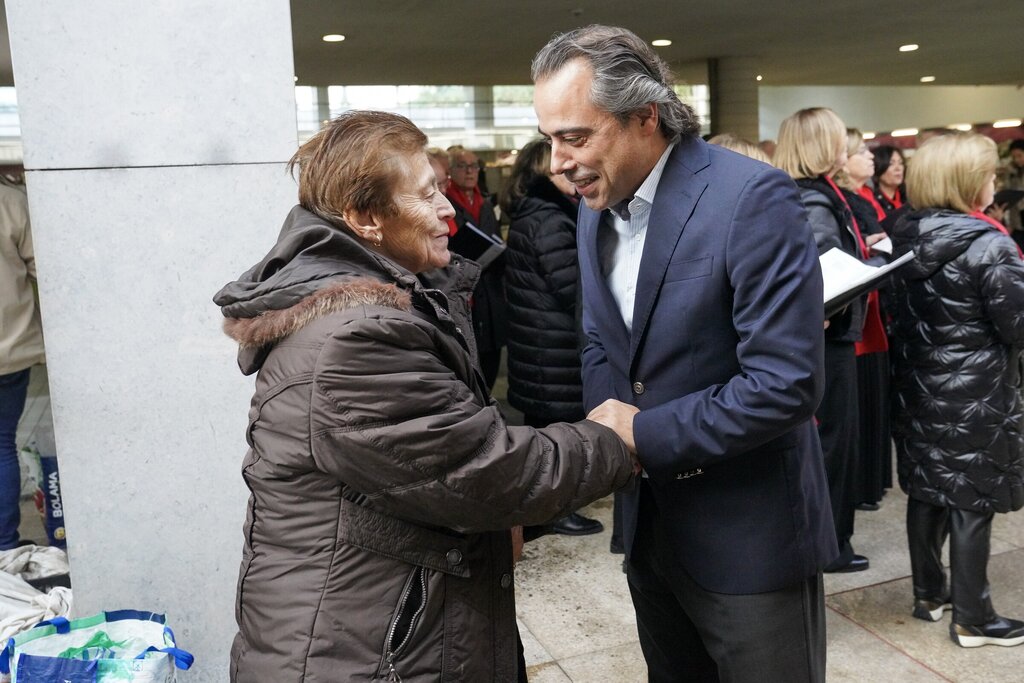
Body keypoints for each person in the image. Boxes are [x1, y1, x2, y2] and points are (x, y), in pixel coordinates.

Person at [213, 110, 637, 682]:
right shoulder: (354, 337)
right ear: (365, 218)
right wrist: (614, 440)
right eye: (426, 193)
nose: (449, 210)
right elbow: (481, 471)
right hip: (367, 653)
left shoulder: (382, 304)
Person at [532, 26, 837, 682]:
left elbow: (785, 383)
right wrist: (610, 434)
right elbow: (598, 336)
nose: (557, 162)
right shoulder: (593, 206)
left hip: (748, 540)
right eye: (549, 139)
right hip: (650, 534)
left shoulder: (752, 198)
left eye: (575, 136)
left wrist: (641, 431)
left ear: (645, 117)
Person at [888, 132, 1024, 648]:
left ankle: (930, 594)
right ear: (969, 184)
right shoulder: (990, 244)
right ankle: (973, 617)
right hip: (975, 394)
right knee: (972, 499)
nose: (995, 183)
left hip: (918, 387)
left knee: (927, 490)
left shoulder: (907, 238)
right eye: (989, 176)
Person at [776, 108, 888, 574]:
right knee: (832, 446)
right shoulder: (817, 198)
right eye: (840, 138)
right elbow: (824, 275)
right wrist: (872, 263)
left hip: (823, 338)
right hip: (829, 339)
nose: (846, 146)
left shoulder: (802, 191)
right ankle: (831, 545)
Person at [500, 138, 603, 538]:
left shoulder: (546, 212)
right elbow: (570, 285)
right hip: (551, 350)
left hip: (544, 347)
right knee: (557, 438)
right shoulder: (549, 217)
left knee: (549, 435)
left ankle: (552, 509)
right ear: (543, 173)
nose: (570, 169)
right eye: (559, 166)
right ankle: (554, 512)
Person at [836, 129, 892, 510]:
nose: (869, 159)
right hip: (849, 319)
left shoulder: (852, 198)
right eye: (859, 152)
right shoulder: (838, 200)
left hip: (866, 314)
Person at [0, 180, 42, 551]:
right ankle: (4, 547)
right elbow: (43, 272)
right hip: (7, 349)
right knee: (1, 446)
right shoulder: (11, 201)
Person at [445, 145, 507, 390]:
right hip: (466, 292)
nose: (470, 171)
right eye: (463, 166)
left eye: (474, 166)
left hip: (490, 293)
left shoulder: (485, 202)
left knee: (492, 360)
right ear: (451, 171)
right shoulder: (448, 204)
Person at [872, 144, 906, 217]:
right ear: (878, 167)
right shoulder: (872, 201)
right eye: (891, 164)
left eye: (901, 163)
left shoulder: (909, 196)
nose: (898, 168)